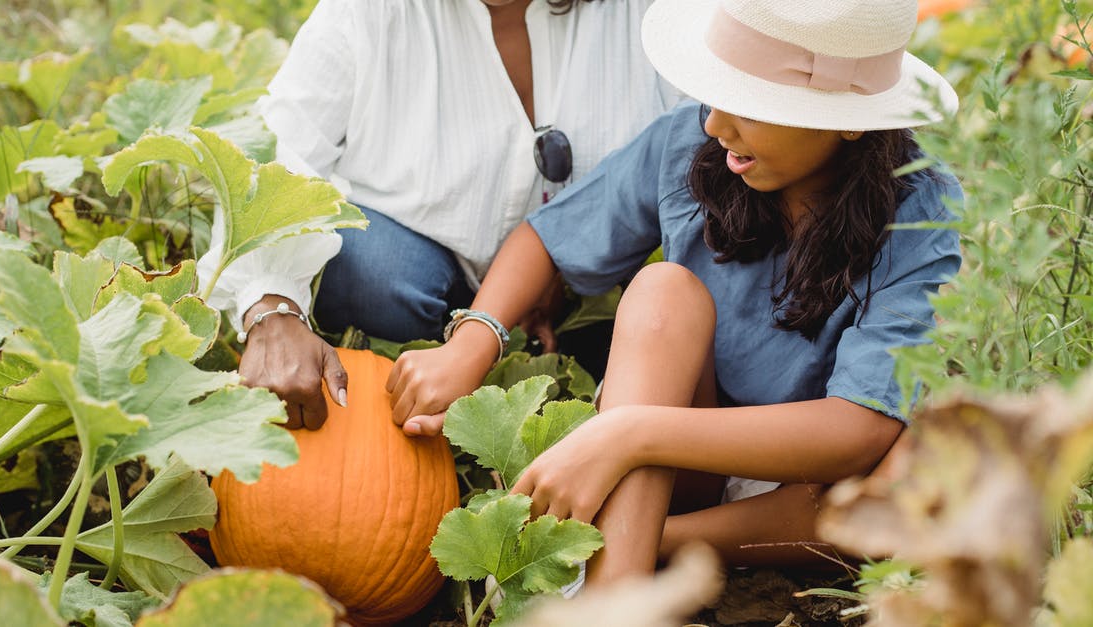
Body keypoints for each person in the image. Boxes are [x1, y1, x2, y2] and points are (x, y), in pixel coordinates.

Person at [387, 0, 962, 587]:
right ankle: (613, 598)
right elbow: (547, 237)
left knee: (917, 464)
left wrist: (627, 432)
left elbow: (857, 431)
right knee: (665, 290)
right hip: (684, 456)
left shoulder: (920, 213)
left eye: (752, 105)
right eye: (718, 93)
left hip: (811, 493)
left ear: (851, 119)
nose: (715, 125)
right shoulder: (691, 145)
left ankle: (641, 544)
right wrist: (474, 339)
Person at [196, 0, 683, 429]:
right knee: (369, 270)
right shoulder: (367, 11)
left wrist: (567, 257)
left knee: (650, 310)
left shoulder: (654, 15)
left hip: (586, 293)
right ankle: (432, 383)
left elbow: (706, 154)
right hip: (418, 280)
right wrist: (270, 305)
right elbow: (282, 148)